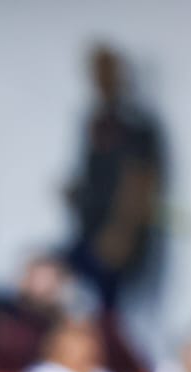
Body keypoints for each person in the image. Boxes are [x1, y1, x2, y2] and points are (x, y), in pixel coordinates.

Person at [62, 44, 164, 310]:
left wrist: (121, 232)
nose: (100, 81)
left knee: (103, 313)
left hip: (114, 240)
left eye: (106, 73)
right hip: (88, 229)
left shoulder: (136, 124)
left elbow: (141, 182)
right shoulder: (96, 119)